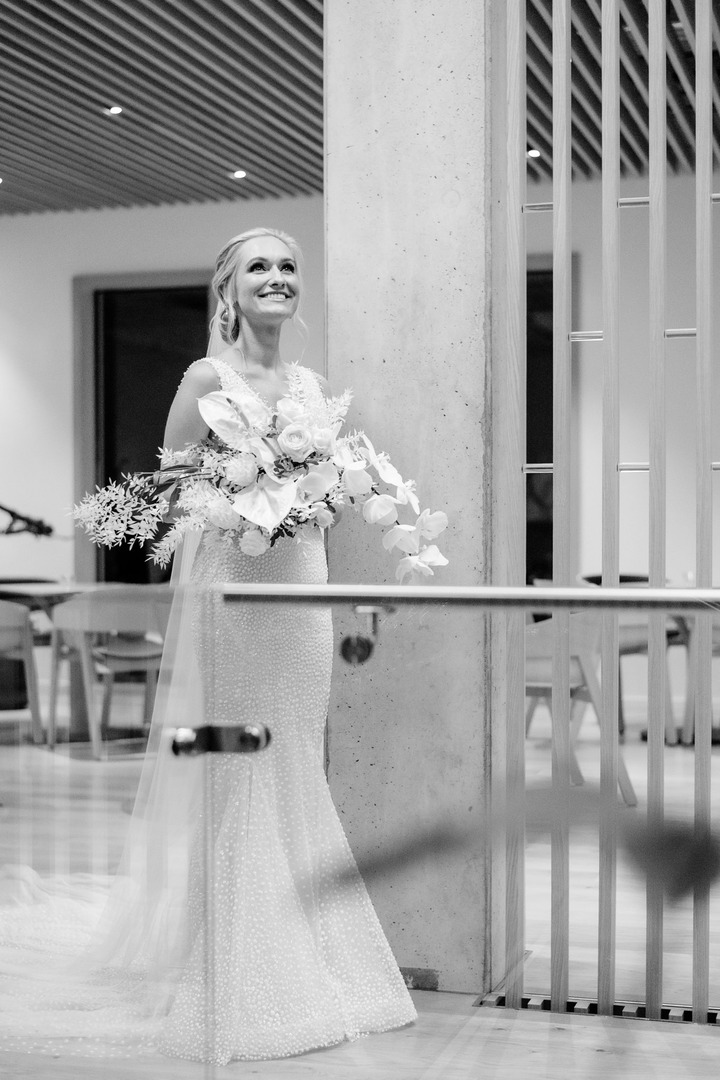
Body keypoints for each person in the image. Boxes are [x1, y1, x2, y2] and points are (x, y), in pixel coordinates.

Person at [0, 228, 416, 1065]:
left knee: (296, 760)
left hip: (302, 594)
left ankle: (316, 956)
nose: (277, 279)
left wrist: (314, 500)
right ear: (228, 288)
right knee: (240, 767)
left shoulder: (311, 388)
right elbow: (167, 490)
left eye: (288, 267)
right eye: (259, 267)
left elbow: (331, 493)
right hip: (234, 594)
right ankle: (238, 967)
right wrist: (239, 491)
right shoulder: (204, 380)